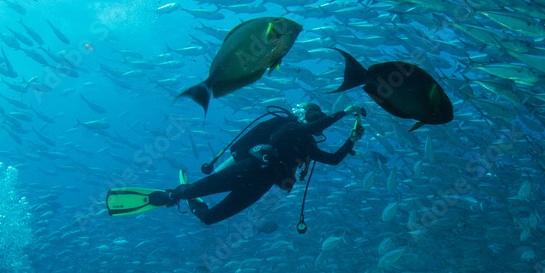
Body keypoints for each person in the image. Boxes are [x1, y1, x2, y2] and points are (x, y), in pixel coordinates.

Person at [106, 103, 365, 225]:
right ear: (302, 116)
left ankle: (194, 205)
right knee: (191, 189)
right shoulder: (287, 127)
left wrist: (351, 139)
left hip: (260, 186)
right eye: (312, 116)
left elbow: (332, 159)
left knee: (208, 218)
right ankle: (171, 195)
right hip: (251, 169)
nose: (316, 120)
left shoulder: (308, 146)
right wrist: (344, 111)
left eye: (318, 117)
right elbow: (316, 126)